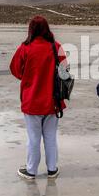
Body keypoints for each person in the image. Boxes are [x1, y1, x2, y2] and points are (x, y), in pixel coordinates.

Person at [10, 15, 67, 180]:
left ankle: (31, 170)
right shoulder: (56, 47)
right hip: (53, 101)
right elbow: (65, 71)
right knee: (50, 137)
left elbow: (14, 68)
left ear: (31, 29)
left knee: (33, 138)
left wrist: (28, 78)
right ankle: (52, 169)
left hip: (32, 100)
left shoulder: (25, 47)